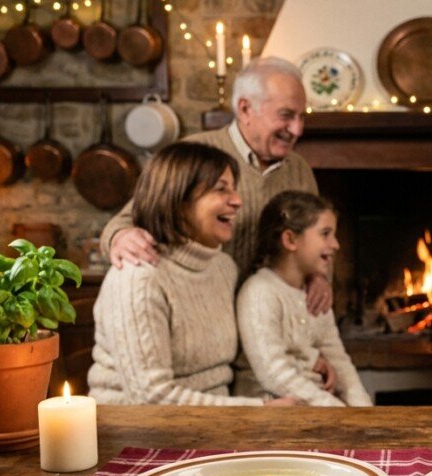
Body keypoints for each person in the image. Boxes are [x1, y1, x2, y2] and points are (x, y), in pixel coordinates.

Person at [100, 57, 333, 316]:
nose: (298, 129)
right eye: (286, 115)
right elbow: (124, 223)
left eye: (302, 117)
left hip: (269, 320)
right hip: (203, 313)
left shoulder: (299, 169)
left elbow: (316, 239)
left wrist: (319, 276)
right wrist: (121, 238)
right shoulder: (197, 156)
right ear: (245, 109)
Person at [88, 142, 298, 407]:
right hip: (138, 432)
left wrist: (309, 360)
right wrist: (259, 410)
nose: (237, 200)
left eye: (234, 188)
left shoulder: (223, 267)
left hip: (216, 424)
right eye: (221, 189)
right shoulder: (139, 279)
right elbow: (150, 396)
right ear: (178, 199)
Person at [236, 191, 372, 407]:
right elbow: (273, 372)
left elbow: (338, 358)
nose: (335, 244)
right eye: (325, 233)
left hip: (316, 404)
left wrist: (364, 411)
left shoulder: (315, 293)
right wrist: (335, 410)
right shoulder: (260, 292)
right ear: (290, 239)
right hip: (274, 408)